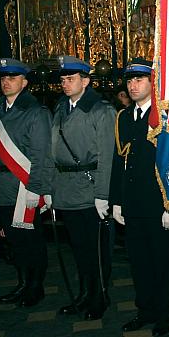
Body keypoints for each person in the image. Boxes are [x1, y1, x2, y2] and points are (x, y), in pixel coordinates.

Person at [110, 61, 169, 337]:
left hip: (159, 201)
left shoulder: (164, 117)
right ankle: (145, 309)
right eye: (129, 81)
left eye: (139, 80)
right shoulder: (124, 117)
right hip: (132, 201)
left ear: (152, 83)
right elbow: (119, 160)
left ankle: (164, 312)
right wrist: (116, 200)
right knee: (138, 261)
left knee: (161, 261)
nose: (133, 85)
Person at [51, 56, 116, 320]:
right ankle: (83, 293)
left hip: (90, 189)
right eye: (63, 79)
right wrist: (50, 189)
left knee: (96, 250)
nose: (65, 84)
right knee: (78, 248)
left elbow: (107, 155)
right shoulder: (60, 108)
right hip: (66, 189)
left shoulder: (101, 110)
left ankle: (99, 295)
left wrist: (103, 194)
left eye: (71, 79)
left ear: (86, 81)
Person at [0, 58, 53, 307]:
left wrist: (35, 188)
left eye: (12, 78)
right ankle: (22, 282)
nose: (6, 82)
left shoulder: (35, 112)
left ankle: (35, 286)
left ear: (24, 83)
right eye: (3, 78)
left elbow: (41, 155)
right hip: (1, 187)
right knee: (13, 241)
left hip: (22, 185)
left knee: (31, 241)